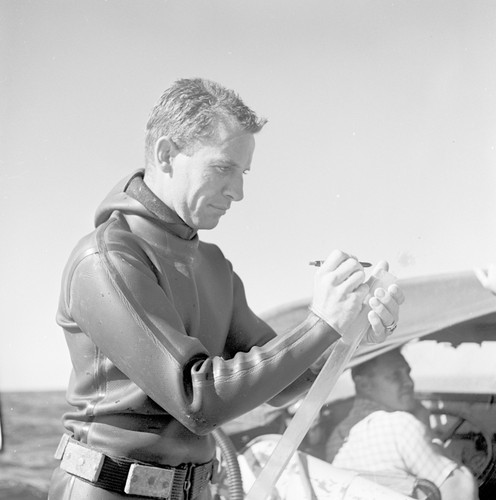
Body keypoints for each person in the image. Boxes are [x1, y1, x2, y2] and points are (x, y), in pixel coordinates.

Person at [48, 77, 404, 500]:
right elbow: (198, 401)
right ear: (165, 154)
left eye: (243, 173)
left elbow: (285, 384)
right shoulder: (106, 258)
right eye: (222, 169)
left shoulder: (214, 265)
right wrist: (322, 322)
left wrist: (350, 331)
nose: (237, 192)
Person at [326, 349, 479, 500]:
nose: (409, 382)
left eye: (407, 372)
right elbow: (459, 488)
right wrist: (429, 433)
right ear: (364, 385)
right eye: (395, 376)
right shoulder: (400, 426)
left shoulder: (337, 438)